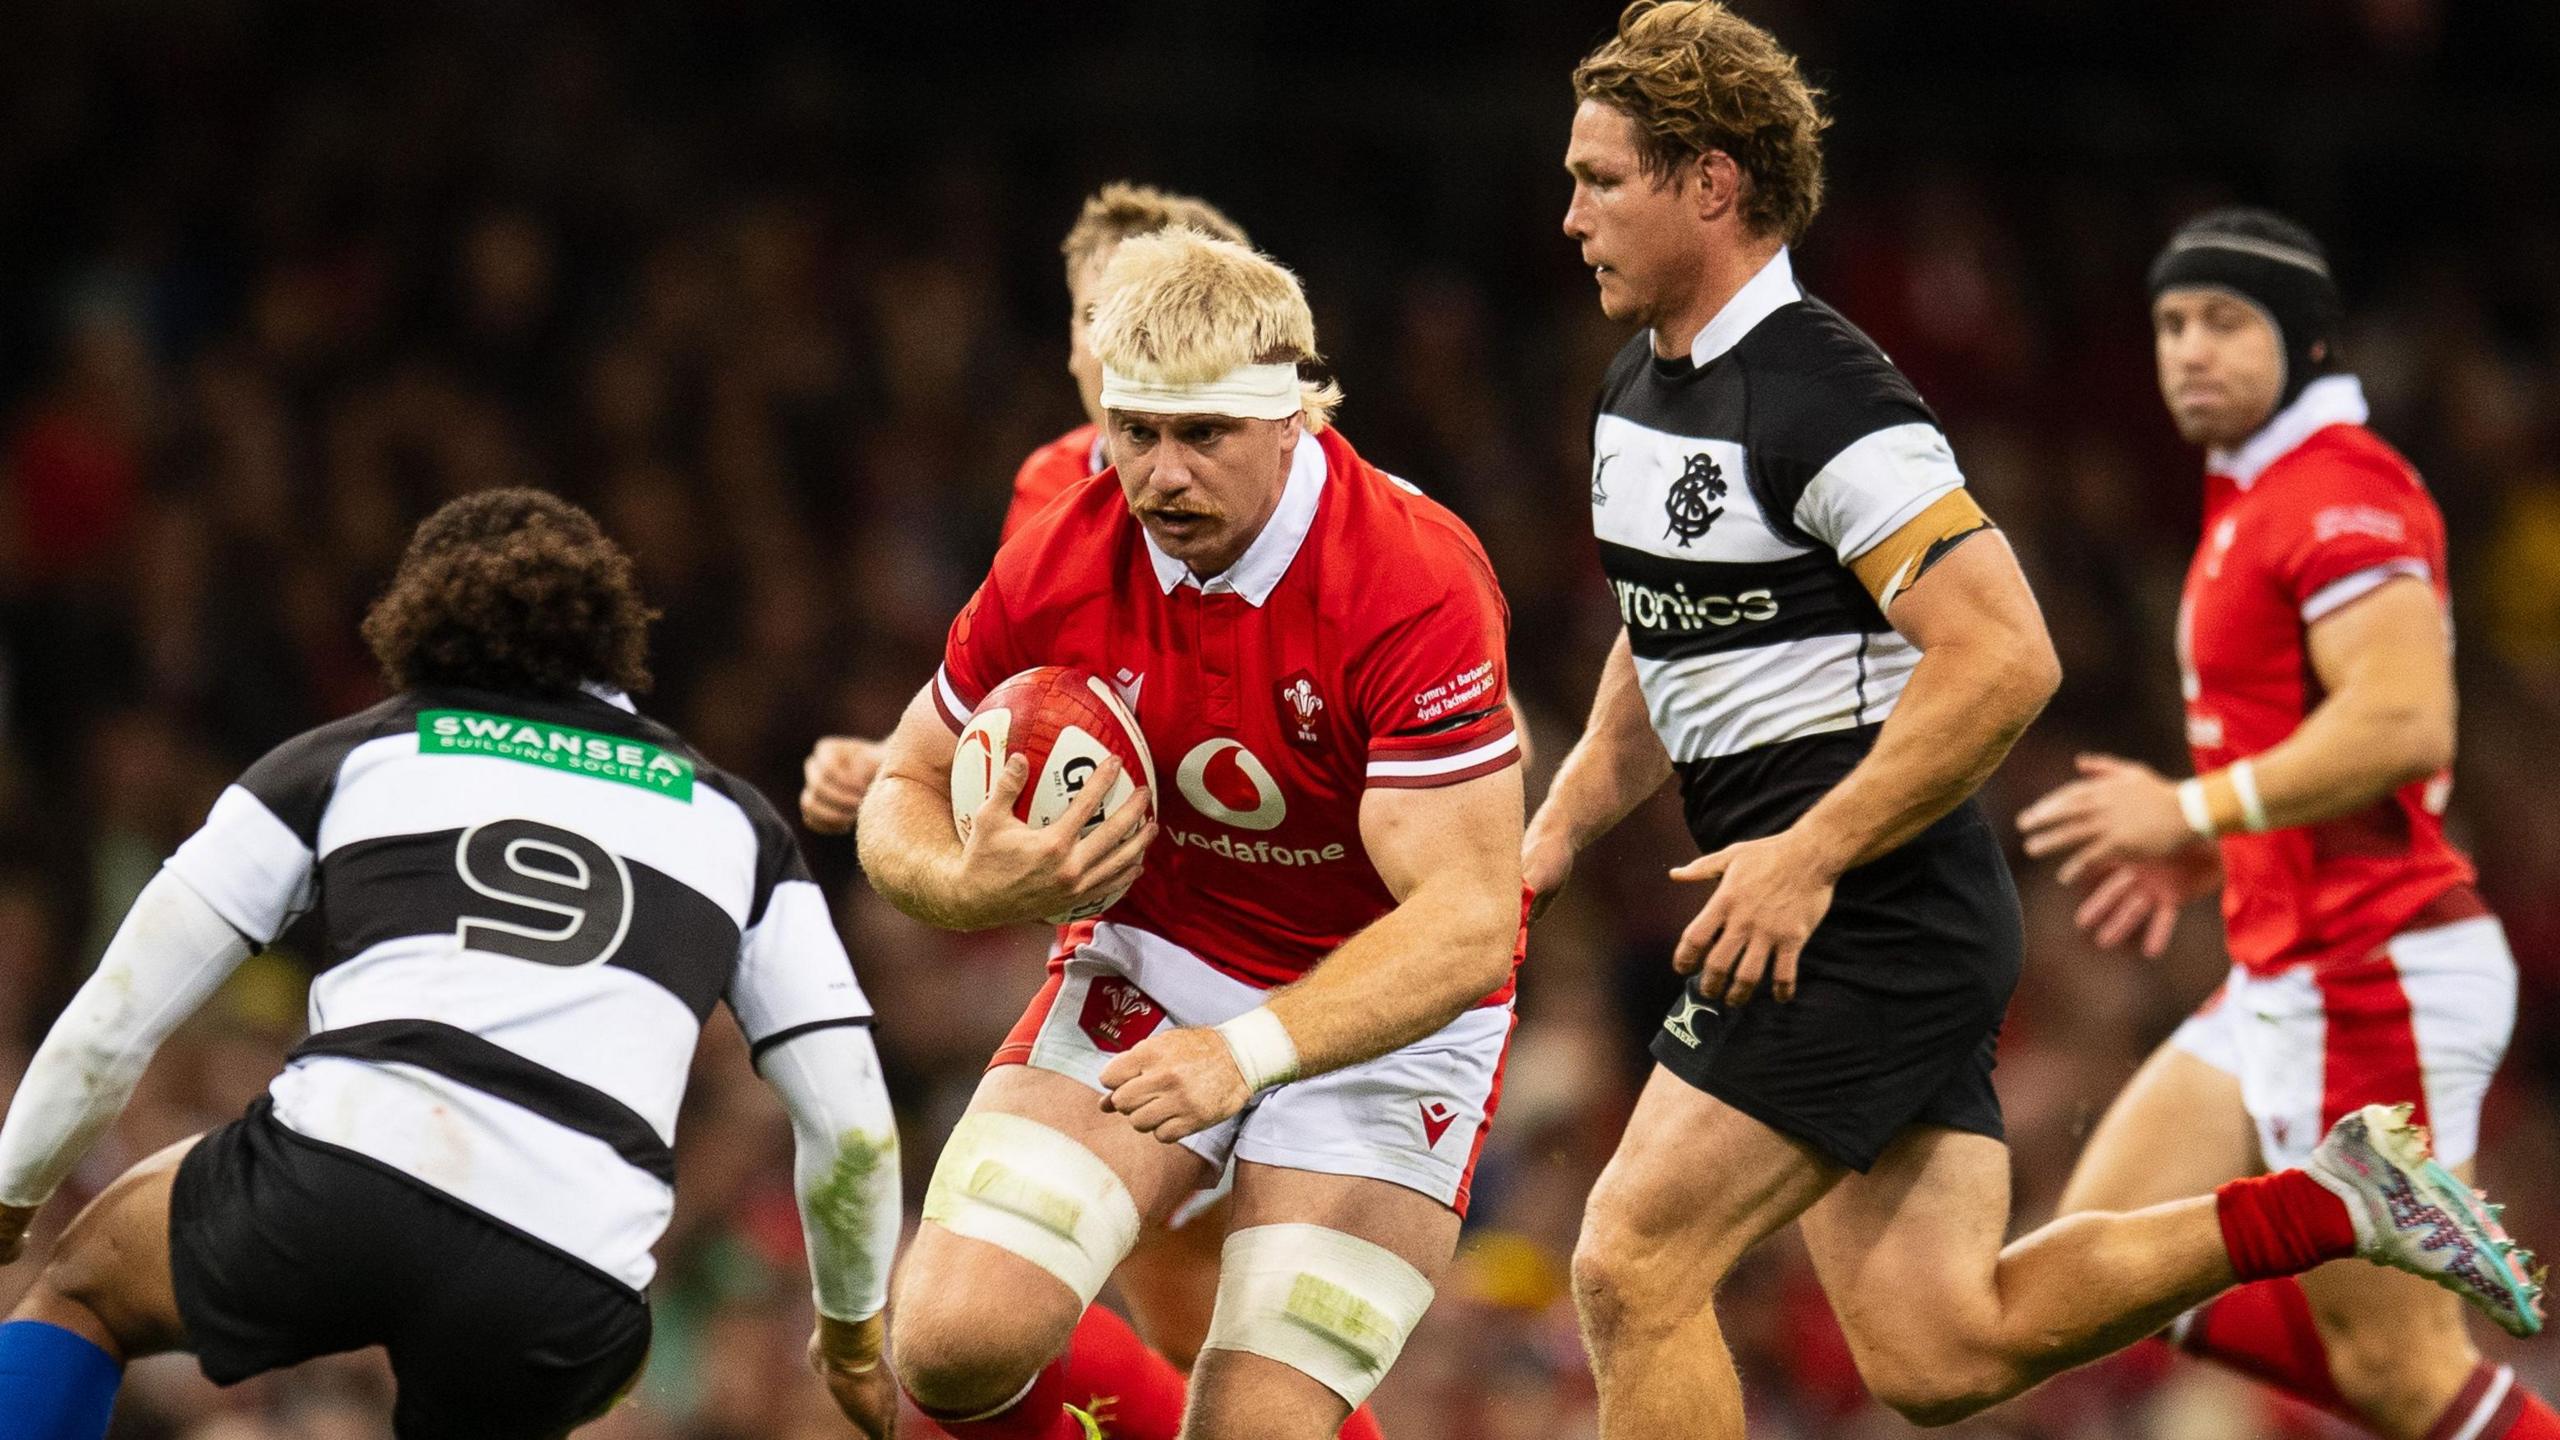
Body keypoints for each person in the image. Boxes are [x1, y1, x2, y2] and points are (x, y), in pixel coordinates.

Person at [1519, 6, 2542, 1437]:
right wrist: (1552, 835)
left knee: (1631, 1265)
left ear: (1711, 184)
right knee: (1941, 1350)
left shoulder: (1829, 399)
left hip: (1862, 912)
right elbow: (1666, 629)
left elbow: (2006, 657)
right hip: (1831, 905)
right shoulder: (1639, 389)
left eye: (1601, 180)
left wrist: (1811, 854)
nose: (1570, 217)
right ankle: (2327, 1203)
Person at [0, 490, 902, 1440]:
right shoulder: (741, 826)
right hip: (571, 1277)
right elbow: (853, 1130)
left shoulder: (341, 758)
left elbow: (112, 1020)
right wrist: (849, 1341)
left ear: (419, 625)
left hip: (340, 1180)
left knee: (86, 1289)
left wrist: (13, 1198)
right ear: (612, 640)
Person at [856, 230, 1526, 1440]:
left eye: (1203, 434)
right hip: (1159, 963)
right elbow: (901, 780)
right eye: (1136, 431)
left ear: (1291, 417)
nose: (1161, 477)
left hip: (1383, 1011)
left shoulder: (1412, 580)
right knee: (950, 1345)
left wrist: (1246, 1052)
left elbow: (1470, 922)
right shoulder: (1064, 555)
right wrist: (964, 885)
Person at [2019, 207, 2560, 1440]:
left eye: (2224, 321)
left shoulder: (2339, 490)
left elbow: (2403, 721)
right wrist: (2221, 848)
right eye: (2170, 324)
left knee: (2406, 1376)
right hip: (2289, 969)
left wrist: (2188, 803)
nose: (2188, 350)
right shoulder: (2260, 498)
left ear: (2309, 340)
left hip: (2372, 969)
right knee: (2107, 1273)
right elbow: (2323, 741)